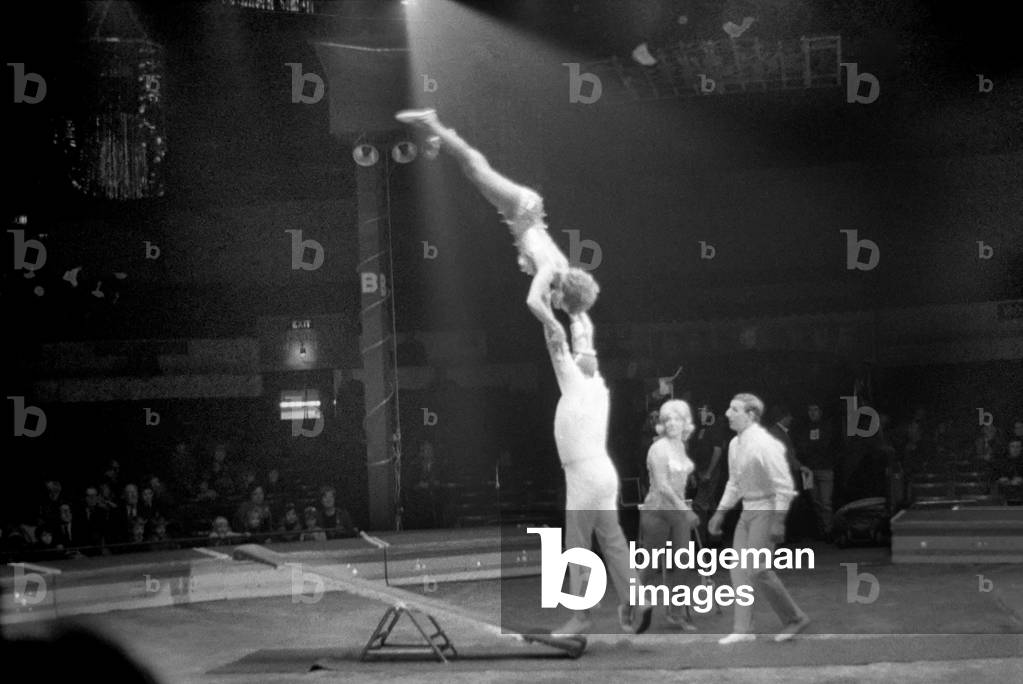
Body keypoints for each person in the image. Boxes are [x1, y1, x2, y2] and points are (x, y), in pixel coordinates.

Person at [396, 107, 644, 637]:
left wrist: (569, 327)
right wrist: (551, 320)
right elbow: (540, 306)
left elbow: (583, 327)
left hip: (588, 471)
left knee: (589, 541)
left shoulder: (582, 341)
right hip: (524, 213)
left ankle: (609, 607)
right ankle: (436, 127)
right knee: (474, 167)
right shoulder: (583, 357)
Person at [394, 107, 599, 315]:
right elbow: (533, 301)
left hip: (523, 213)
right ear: (566, 294)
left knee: (473, 170)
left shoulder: (558, 271)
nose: (558, 307)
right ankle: (432, 122)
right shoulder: (550, 270)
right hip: (523, 211)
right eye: (563, 305)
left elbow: (554, 302)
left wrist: (574, 321)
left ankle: (446, 137)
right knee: (475, 167)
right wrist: (555, 326)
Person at [709, 393, 810, 645]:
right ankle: (744, 629)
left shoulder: (766, 444)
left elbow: (784, 485)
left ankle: (795, 618)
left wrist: (778, 520)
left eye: (734, 409)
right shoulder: (735, 444)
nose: (727, 414)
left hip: (767, 508)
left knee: (757, 568)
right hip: (748, 510)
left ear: (751, 415)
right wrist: (720, 512)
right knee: (738, 570)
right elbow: (734, 483)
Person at [639, 399, 700, 630]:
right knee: (650, 565)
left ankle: (676, 613)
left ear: (685, 422)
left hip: (677, 510)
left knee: (682, 562)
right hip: (657, 510)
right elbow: (662, 486)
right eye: (667, 419)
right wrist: (686, 510)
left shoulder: (680, 447)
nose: (672, 423)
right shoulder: (657, 448)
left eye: (677, 419)